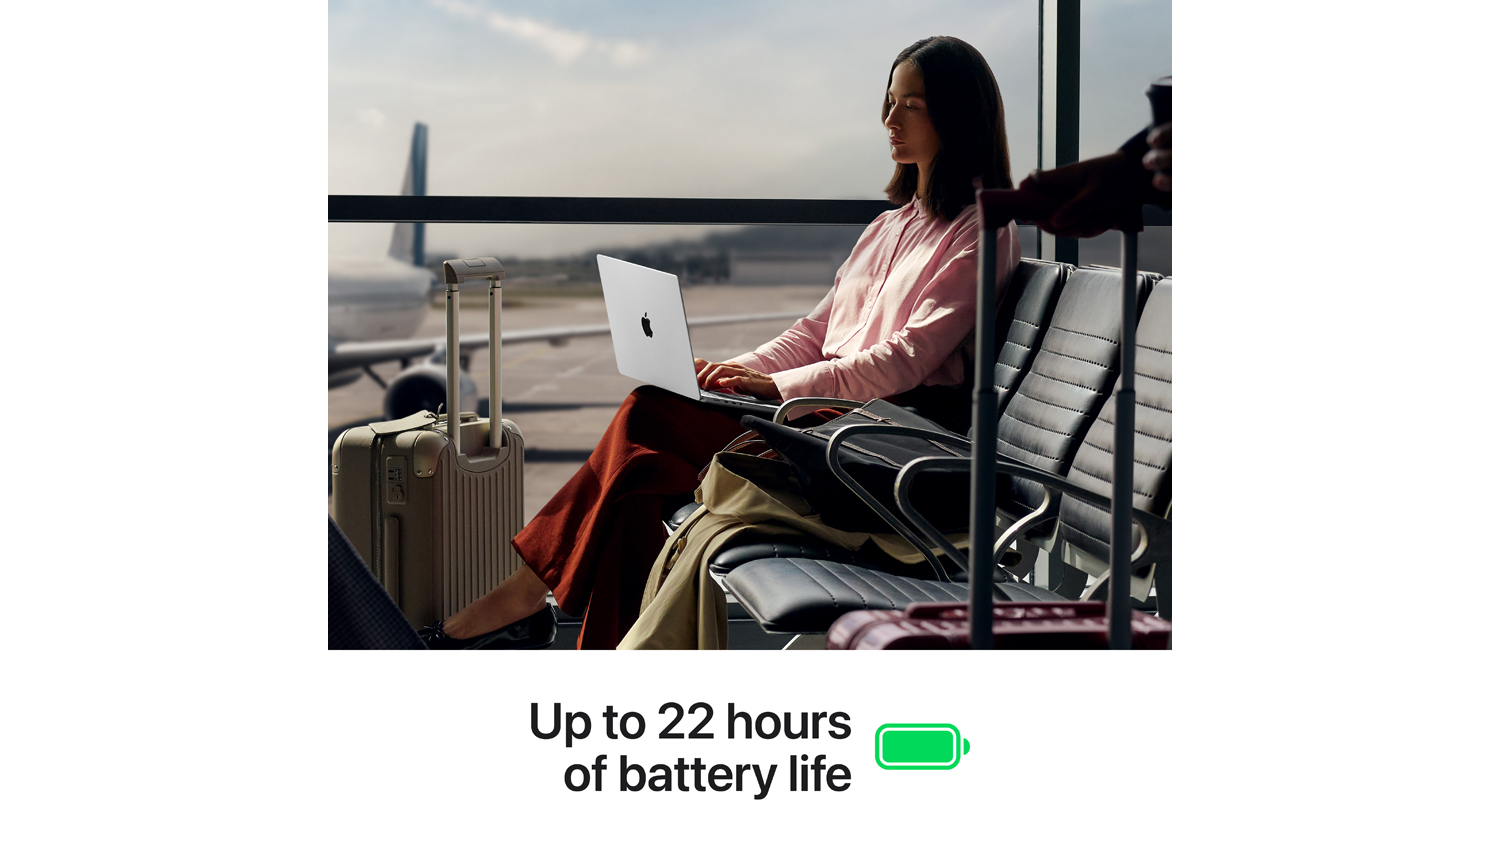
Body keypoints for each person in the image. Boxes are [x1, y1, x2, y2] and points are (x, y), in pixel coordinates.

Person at [420, 35, 1023, 650]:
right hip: (818, 416)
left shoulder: (982, 229)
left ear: (957, 116)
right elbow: (816, 331)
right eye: (889, 102)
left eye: (912, 106)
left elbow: (907, 360)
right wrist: (735, 374)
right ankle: (579, 643)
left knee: (647, 416)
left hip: (872, 441)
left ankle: (520, 601)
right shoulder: (887, 226)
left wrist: (776, 388)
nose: (891, 119)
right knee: (641, 477)